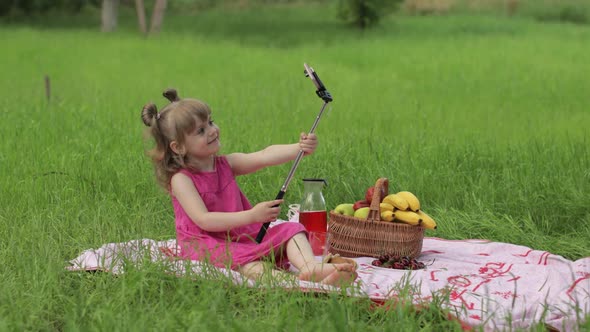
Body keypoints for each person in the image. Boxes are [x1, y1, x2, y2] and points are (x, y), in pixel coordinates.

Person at [141, 88, 357, 286]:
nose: (212, 130)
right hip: (208, 244)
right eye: (200, 131)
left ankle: (310, 268)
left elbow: (263, 156)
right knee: (249, 265)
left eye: (210, 122)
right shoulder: (181, 179)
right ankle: (294, 285)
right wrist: (252, 216)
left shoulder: (225, 164)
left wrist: (299, 148)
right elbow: (204, 220)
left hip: (240, 236)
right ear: (178, 147)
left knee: (292, 230)